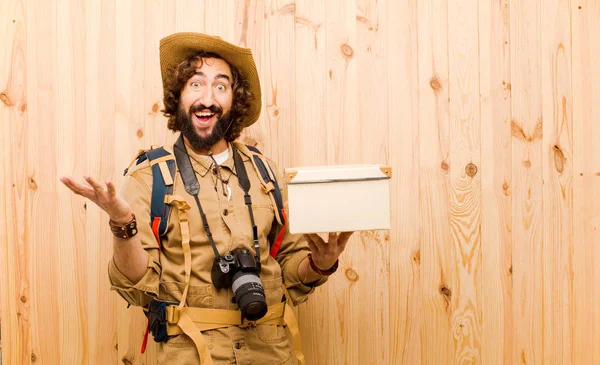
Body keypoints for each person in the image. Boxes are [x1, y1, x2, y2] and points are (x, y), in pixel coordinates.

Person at [60, 32, 353, 365]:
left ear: (235, 99)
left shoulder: (267, 174)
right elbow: (138, 285)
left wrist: (322, 262)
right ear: (179, 96)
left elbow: (290, 271)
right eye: (195, 84)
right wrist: (122, 223)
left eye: (221, 86)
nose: (207, 98)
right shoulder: (150, 179)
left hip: (272, 352)